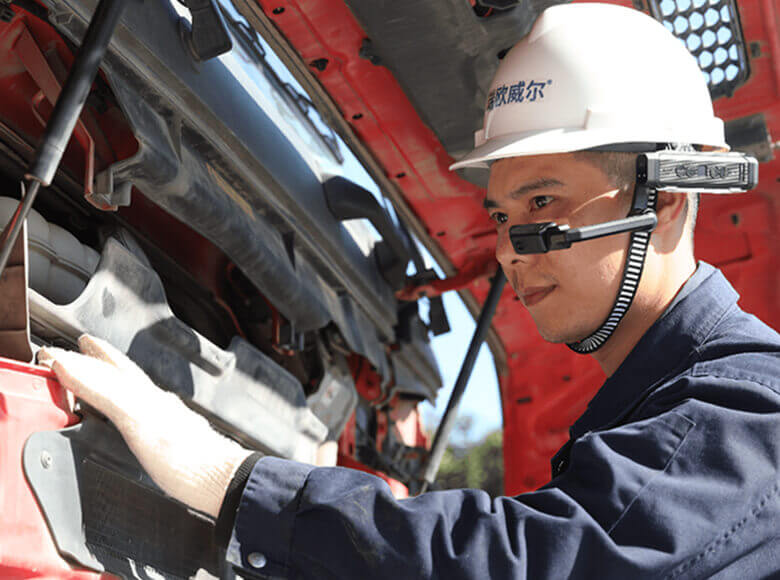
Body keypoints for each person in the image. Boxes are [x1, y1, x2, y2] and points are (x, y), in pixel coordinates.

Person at [38, 3, 780, 579]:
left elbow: (528, 564)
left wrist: (225, 474)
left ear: (671, 201)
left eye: (544, 207)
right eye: (501, 215)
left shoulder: (747, 411)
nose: (508, 254)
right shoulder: (656, 412)